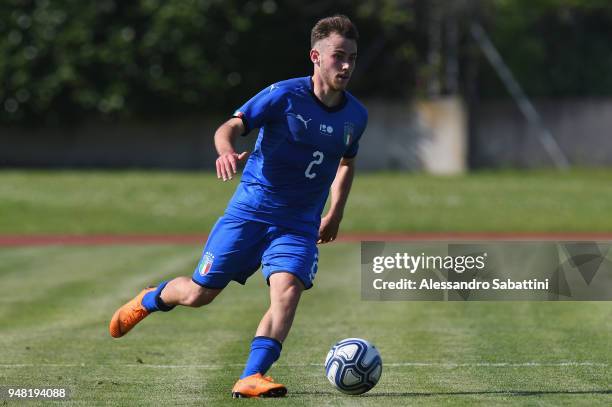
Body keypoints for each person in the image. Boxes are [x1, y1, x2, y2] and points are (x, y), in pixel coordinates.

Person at [109, 14, 367, 398]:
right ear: (315, 56)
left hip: (298, 224)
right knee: (199, 294)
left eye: (352, 58)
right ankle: (151, 297)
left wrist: (336, 212)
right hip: (251, 212)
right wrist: (226, 151)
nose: (346, 65)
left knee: (288, 289)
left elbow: (346, 162)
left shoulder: (355, 115)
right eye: (338, 56)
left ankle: (252, 375)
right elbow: (229, 126)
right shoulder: (282, 95)